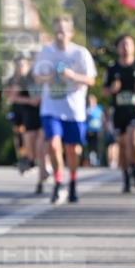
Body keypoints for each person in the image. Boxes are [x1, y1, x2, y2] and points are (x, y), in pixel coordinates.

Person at [33, 14, 96, 204]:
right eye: (57, 30)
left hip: (74, 109)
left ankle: (73, 182)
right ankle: (58, 182)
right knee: (53, 144)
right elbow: (37, 77)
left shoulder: (80, 53)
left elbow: (91, 80)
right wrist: (49, 77)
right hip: (51, 107)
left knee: (72, 150)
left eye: (63, 31)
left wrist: (72, 75)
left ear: (71, 33)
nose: (60, 34)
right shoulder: (45, 52)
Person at [102, 35, 135, 192]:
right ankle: (126, 176)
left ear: (134, 47)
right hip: (118, 111)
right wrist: (112, 90)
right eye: (123, 44)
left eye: (129, 44)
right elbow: (103, 90)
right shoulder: (112, 68)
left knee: (134, 140)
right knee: (122, 145)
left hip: (134, 110)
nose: (126, 47)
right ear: (117, 48)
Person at [4, 53, 46, 193]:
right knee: (28, 146)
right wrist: (30, 101)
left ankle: (42, 175)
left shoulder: (43, 76)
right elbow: (11, 97)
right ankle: (30, 162)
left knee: (42, 145)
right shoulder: (21, 80)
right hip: (26, 114)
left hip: (43, 114)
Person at [84, 93, 104, 166]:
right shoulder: (85, 109)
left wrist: (103, 128)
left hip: (97, 131)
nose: (90, 102)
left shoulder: (99, 109)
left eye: (91, 100)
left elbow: (102, 119)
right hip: (88, 131)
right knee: (88, 146)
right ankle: (89, 160)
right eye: (89, 100)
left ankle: (97, 160)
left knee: (96, 146)